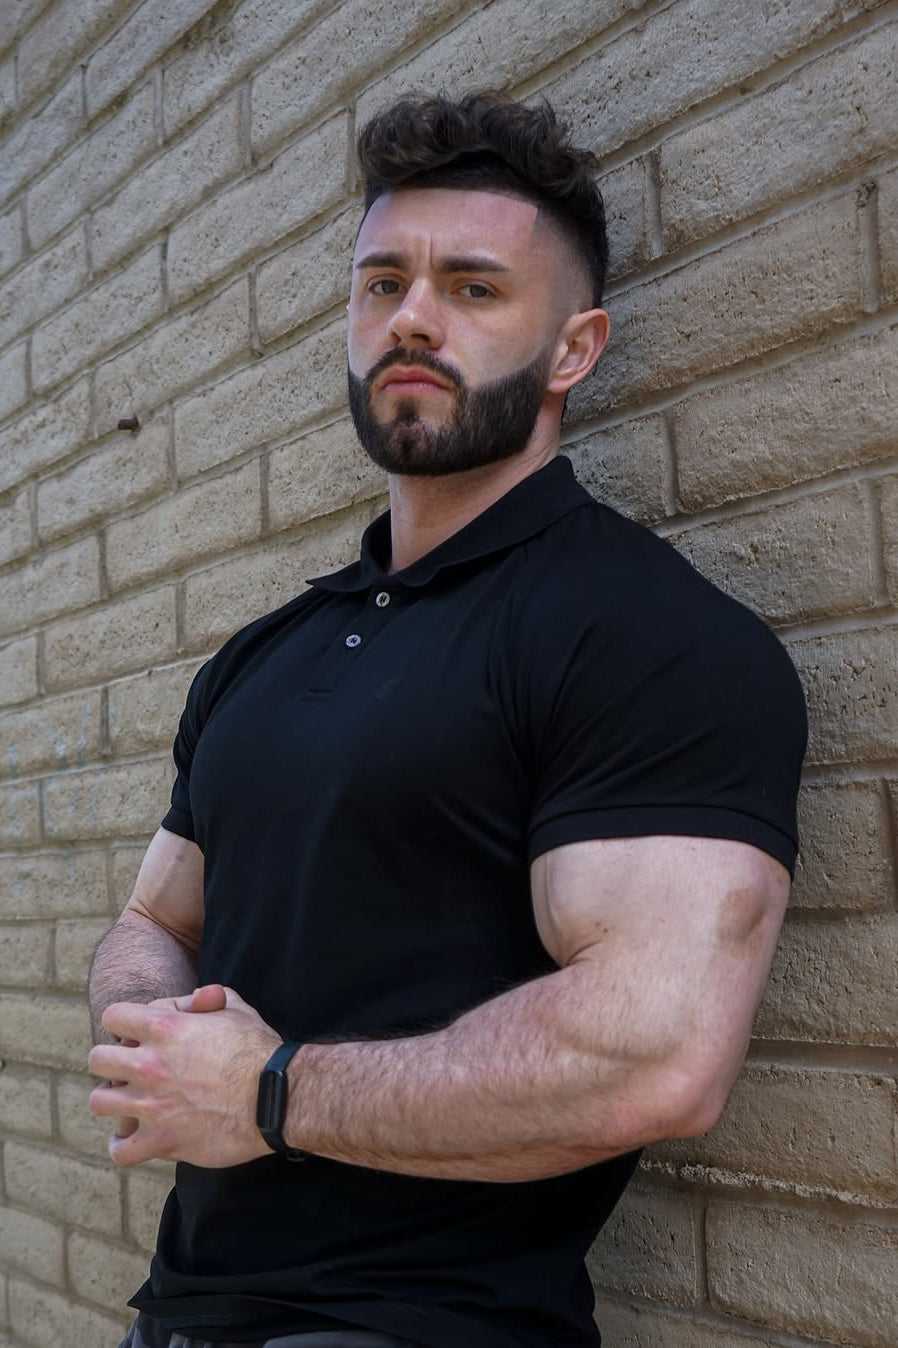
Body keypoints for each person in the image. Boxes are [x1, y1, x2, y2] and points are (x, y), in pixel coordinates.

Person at [88, 90, 807, 1348]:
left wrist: (268, 1092)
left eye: (473, 287)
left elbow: (656, 1056)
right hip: (180, 1317)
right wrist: (154, 1033)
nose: (411, 317)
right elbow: (157, 916)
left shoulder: (643, 632)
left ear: (572, 349)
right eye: (383, 284)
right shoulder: (264, 654)